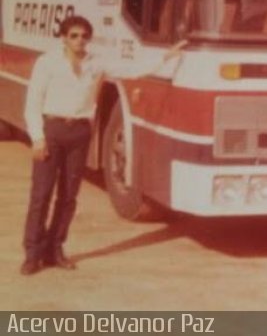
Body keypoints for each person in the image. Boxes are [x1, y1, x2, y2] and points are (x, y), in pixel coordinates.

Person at [20, 15, 186, 275]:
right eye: (74, 36)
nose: (79, 41)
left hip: (79, 133)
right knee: (41, 195)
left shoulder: (95, 63)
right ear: (63, 37)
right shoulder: (47, 63)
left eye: (84, 36)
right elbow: (32, 104)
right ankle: (32, 254)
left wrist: (165, 57)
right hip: (52, 131)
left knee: (68, 197)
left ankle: (55, 249)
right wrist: (38, 138)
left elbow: (132, 70)